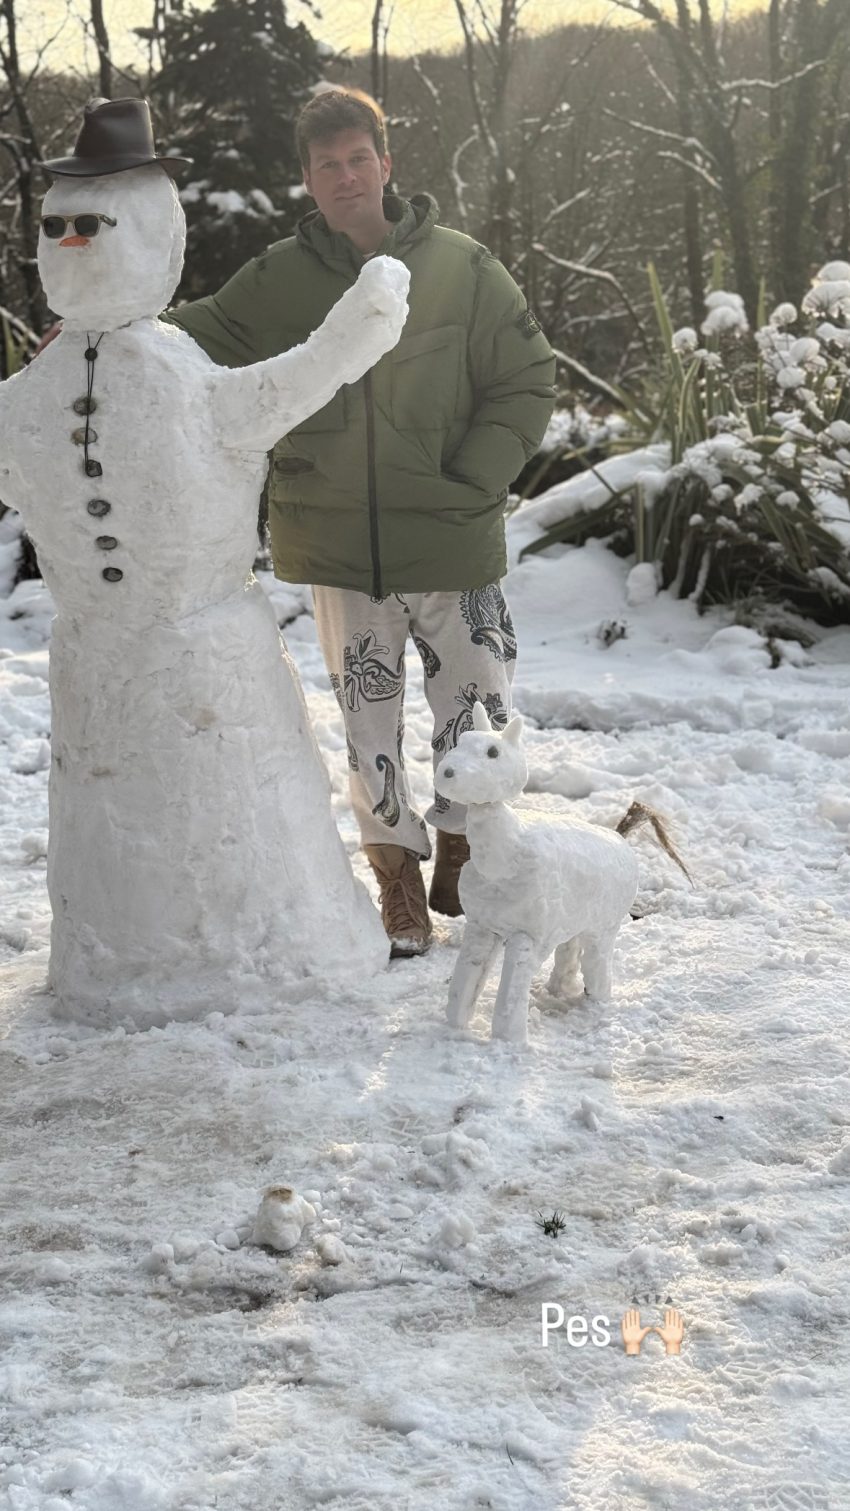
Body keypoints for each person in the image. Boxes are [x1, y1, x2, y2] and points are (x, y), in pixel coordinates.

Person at [164, 87, 556, 958]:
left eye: (358, 159)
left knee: (477, 709)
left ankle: (465, 851)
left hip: (453, 540)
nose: (345, 177)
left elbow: (527, 380)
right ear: (307, 179)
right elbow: (193, 339)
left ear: (387, 163)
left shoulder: (463, 265)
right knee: (366, 723)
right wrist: (98, 337)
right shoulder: (278, 279)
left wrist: (474, 477)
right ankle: (398, 877)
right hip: (341, 549)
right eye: (326, 165)